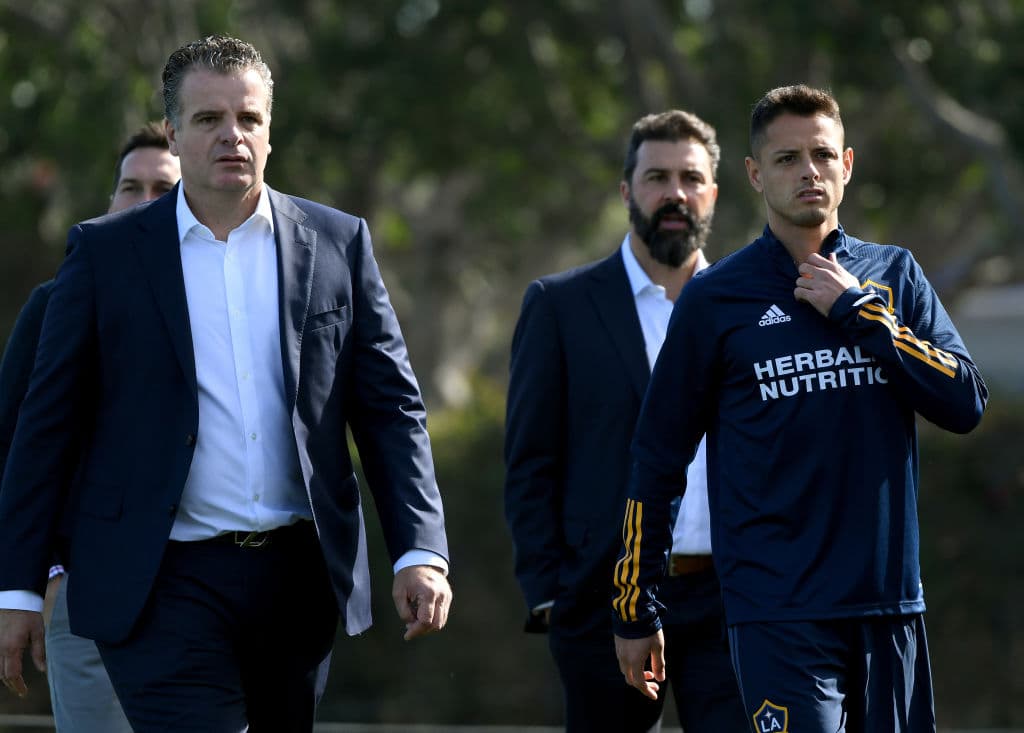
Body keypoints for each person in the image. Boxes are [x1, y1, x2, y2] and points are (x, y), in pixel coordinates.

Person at [0, 35, 451, 732]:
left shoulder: (339, 243)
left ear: (271, 132)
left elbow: (392, 408)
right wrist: (19, 588)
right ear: (176, 134)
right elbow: (44, 429)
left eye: (249, 118)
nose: (231, 136)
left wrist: (420, 549)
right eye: (208, 120)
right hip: (159, 581)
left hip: (299, 580)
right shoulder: (105, 255)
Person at [612, 84, 988, 733]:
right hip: (777, 611)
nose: (807, 172)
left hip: (889, 605)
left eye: (820, 155)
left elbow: (964, 399)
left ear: (846, 164)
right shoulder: (716, 299)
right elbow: (657, 457)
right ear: (756, 175)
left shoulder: (894, 275)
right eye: (786, 159)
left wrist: (862, 316)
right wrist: (634, 605)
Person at [505, 110, 746, 732]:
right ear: (626, 191)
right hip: (602, 601)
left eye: (691, 178)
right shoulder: (559, 307)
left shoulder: (746, 310)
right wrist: (552, 593)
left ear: (713, 193)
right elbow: (530, 460)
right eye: (657, 177)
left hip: (734, 600)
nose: (675, 194)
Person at [6, 121, 179, 733]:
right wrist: (42, 578)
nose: (144, 202)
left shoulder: (237, 306)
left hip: (211, 597)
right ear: (110, 202)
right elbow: (17, 451)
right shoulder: (55, 304)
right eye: (130, 188)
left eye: (163, 188)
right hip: (88, 601)